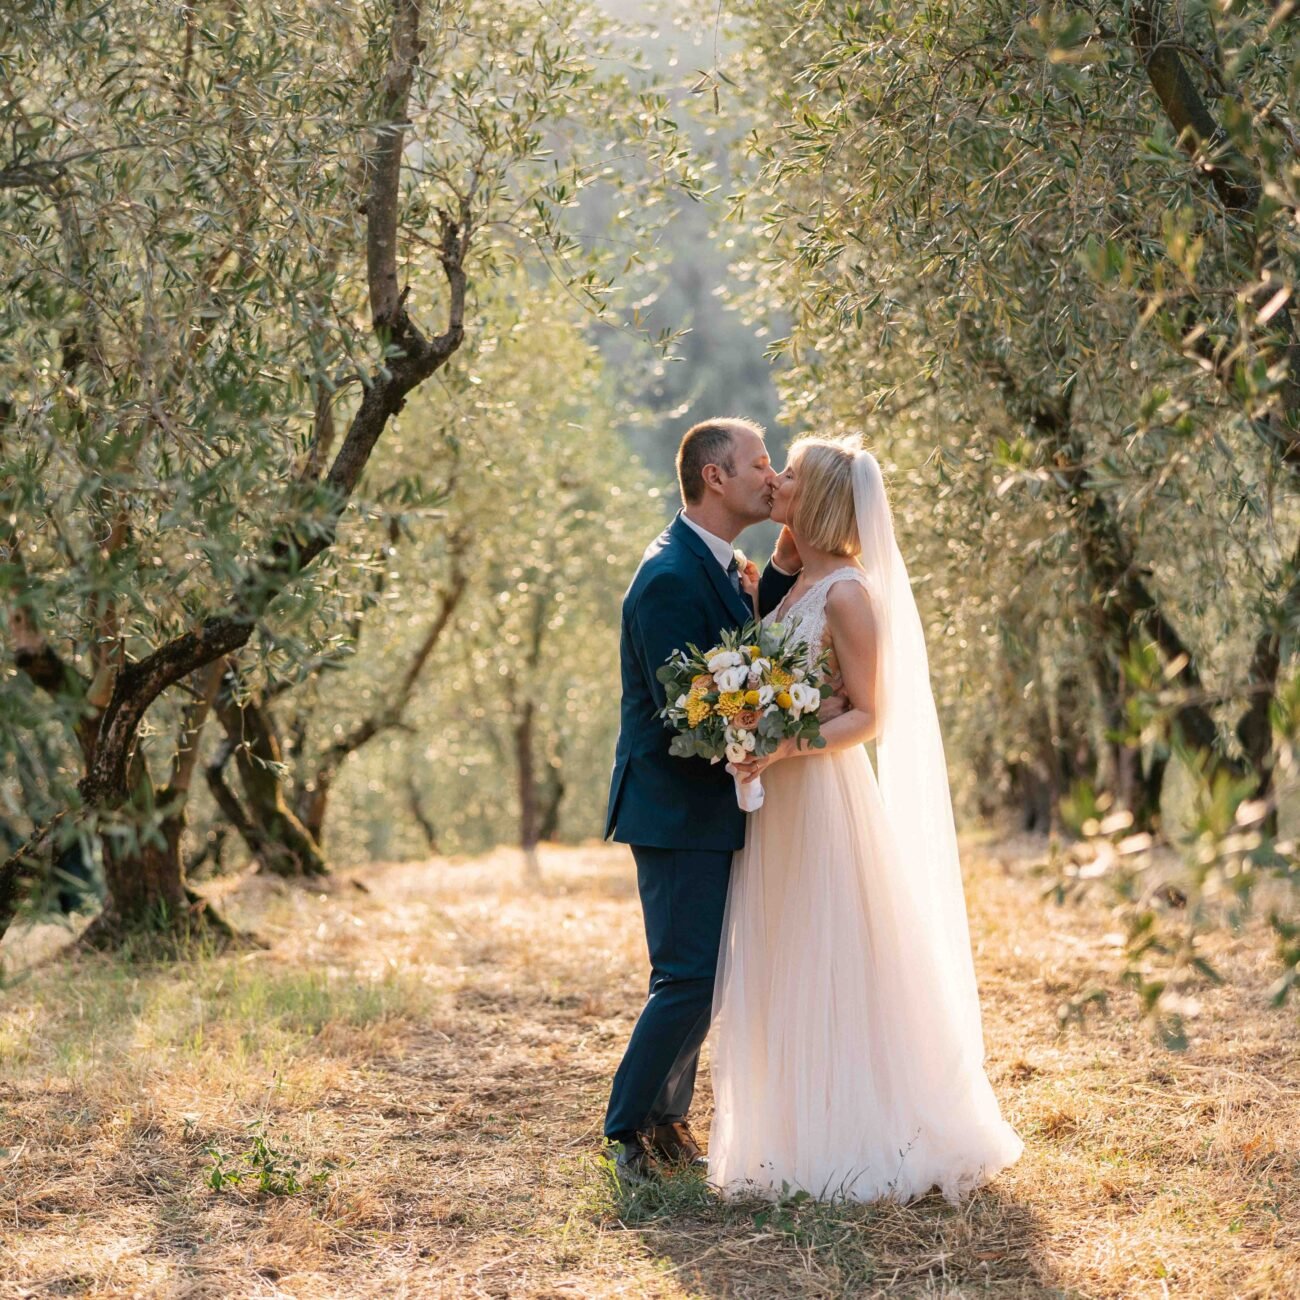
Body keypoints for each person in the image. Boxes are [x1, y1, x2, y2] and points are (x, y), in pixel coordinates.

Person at [710, 433, 1023, 1203]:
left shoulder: (848, 593)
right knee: (784, 951)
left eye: (789, 474)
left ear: (817, 497)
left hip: (821, 795)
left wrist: (783, 748)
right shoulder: (796, 581)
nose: (774, 480)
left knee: (827, 954)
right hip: (778, 800)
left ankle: (848, 1134)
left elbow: (871, 715)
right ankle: (788, 1129)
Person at [603, 416, 836, 1186]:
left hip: (712, 805)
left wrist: (784, 566)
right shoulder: (669, 576)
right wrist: (787, 718)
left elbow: (746, 651)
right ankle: (623, 1131)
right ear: (715, 476)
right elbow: (690, 708)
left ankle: (668, 1119)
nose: (771, 476)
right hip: (675, 809)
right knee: (687, 977)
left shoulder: (722, 563)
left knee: (706, 974)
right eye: (759, 463)